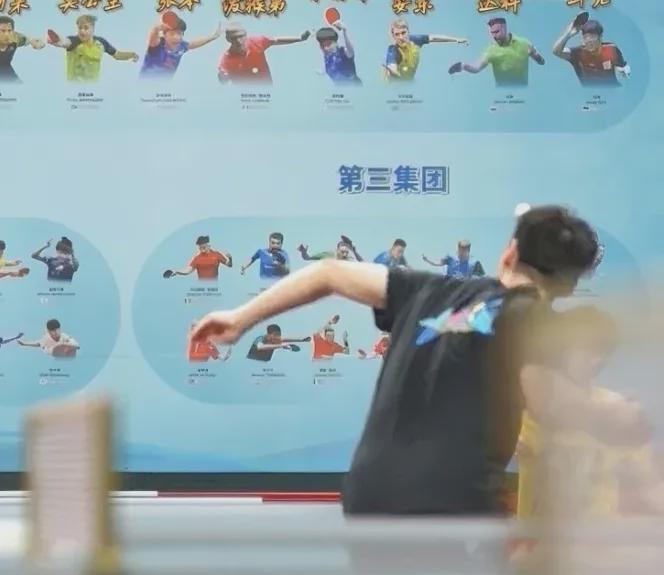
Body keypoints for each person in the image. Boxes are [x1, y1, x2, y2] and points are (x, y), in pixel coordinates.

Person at [191, 205, 648, 515]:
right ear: (569, 285)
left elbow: (328, 272)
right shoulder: (531, 318)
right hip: (450, 507)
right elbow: (550, 402)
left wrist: (239, 318)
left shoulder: (427, 290)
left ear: (509, 253)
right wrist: (617, 417)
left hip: (370, 497)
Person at [515, 306, 664, 518]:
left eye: (604, 351)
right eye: (588, 349)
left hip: (601, 533)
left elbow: (648, 482)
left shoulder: (618, 409)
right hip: (542, 532)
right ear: (563, 349)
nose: (597, 360)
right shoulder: (530, 412)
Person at [449, 17, 544, 87]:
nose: (494, 36)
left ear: (504, 28)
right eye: (492, 33)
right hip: (501, 92)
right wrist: (463, 66)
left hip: (523, 92)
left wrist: (536, 56)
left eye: (496, 32)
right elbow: (476, 68)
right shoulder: (491, 50)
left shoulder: (523, 43)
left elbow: (540, 61)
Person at [47, 14, 138, 81]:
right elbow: (65, 42)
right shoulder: (74, 41)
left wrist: (132, 54)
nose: (82, 31)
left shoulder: (101, 42)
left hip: (93, 86)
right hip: (74, 87)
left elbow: (117, 54)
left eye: (86, 28)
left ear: (93, 29)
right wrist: (58, 40)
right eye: (80, 28)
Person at [551, 16, 630, 87]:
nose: (589, 41)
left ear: (600, 37)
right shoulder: (577, 53)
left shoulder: (612, 49)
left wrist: (624, 71)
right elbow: (556, 51)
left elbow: (623, 66)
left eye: (592, 37)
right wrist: (568, 34)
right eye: (585, 37)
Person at [217, 24, 309, 84]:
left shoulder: (257, 42)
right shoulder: (226, 59)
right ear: (228, 39)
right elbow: (223, 80)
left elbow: (277, 40)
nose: (238, 40)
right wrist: (223, 77)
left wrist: (300, 38)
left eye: (240, 36)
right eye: (234, 38)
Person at [382, 20, 467, 82]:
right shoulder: (393, 50)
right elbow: (392, 65)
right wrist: (393, 72)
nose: (401, 37)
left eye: (403, 33)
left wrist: (456, 39)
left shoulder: (416, 40)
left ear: (408, 32)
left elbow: (434, 38)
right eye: (397, 34)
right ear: (393, 36)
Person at [140, 15, 221, 78]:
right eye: (172, 34)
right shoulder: (157, 45)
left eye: (180, 33)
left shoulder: (181, 46)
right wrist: (156, 28)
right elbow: (152, 37)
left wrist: (213, 37)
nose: (177, 37)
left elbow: (193, 44)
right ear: (164, 35)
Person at [164, 235, 232, 280]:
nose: (201, 248)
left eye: (203, 246)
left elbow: (229, 265)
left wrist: (230, 258)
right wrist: (176, 272)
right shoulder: (197, 258)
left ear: (208, 245)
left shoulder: (217, 254)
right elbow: (187, 271)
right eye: (200, 247)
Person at [245, 324, 310, 361]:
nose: (277, 337)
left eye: (279, 335)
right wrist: (282, 346)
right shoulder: (261, 338)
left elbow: (286, 339)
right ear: (268, 335)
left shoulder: (275, 340)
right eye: (275, 335)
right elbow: (260, 347)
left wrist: (302, 339)